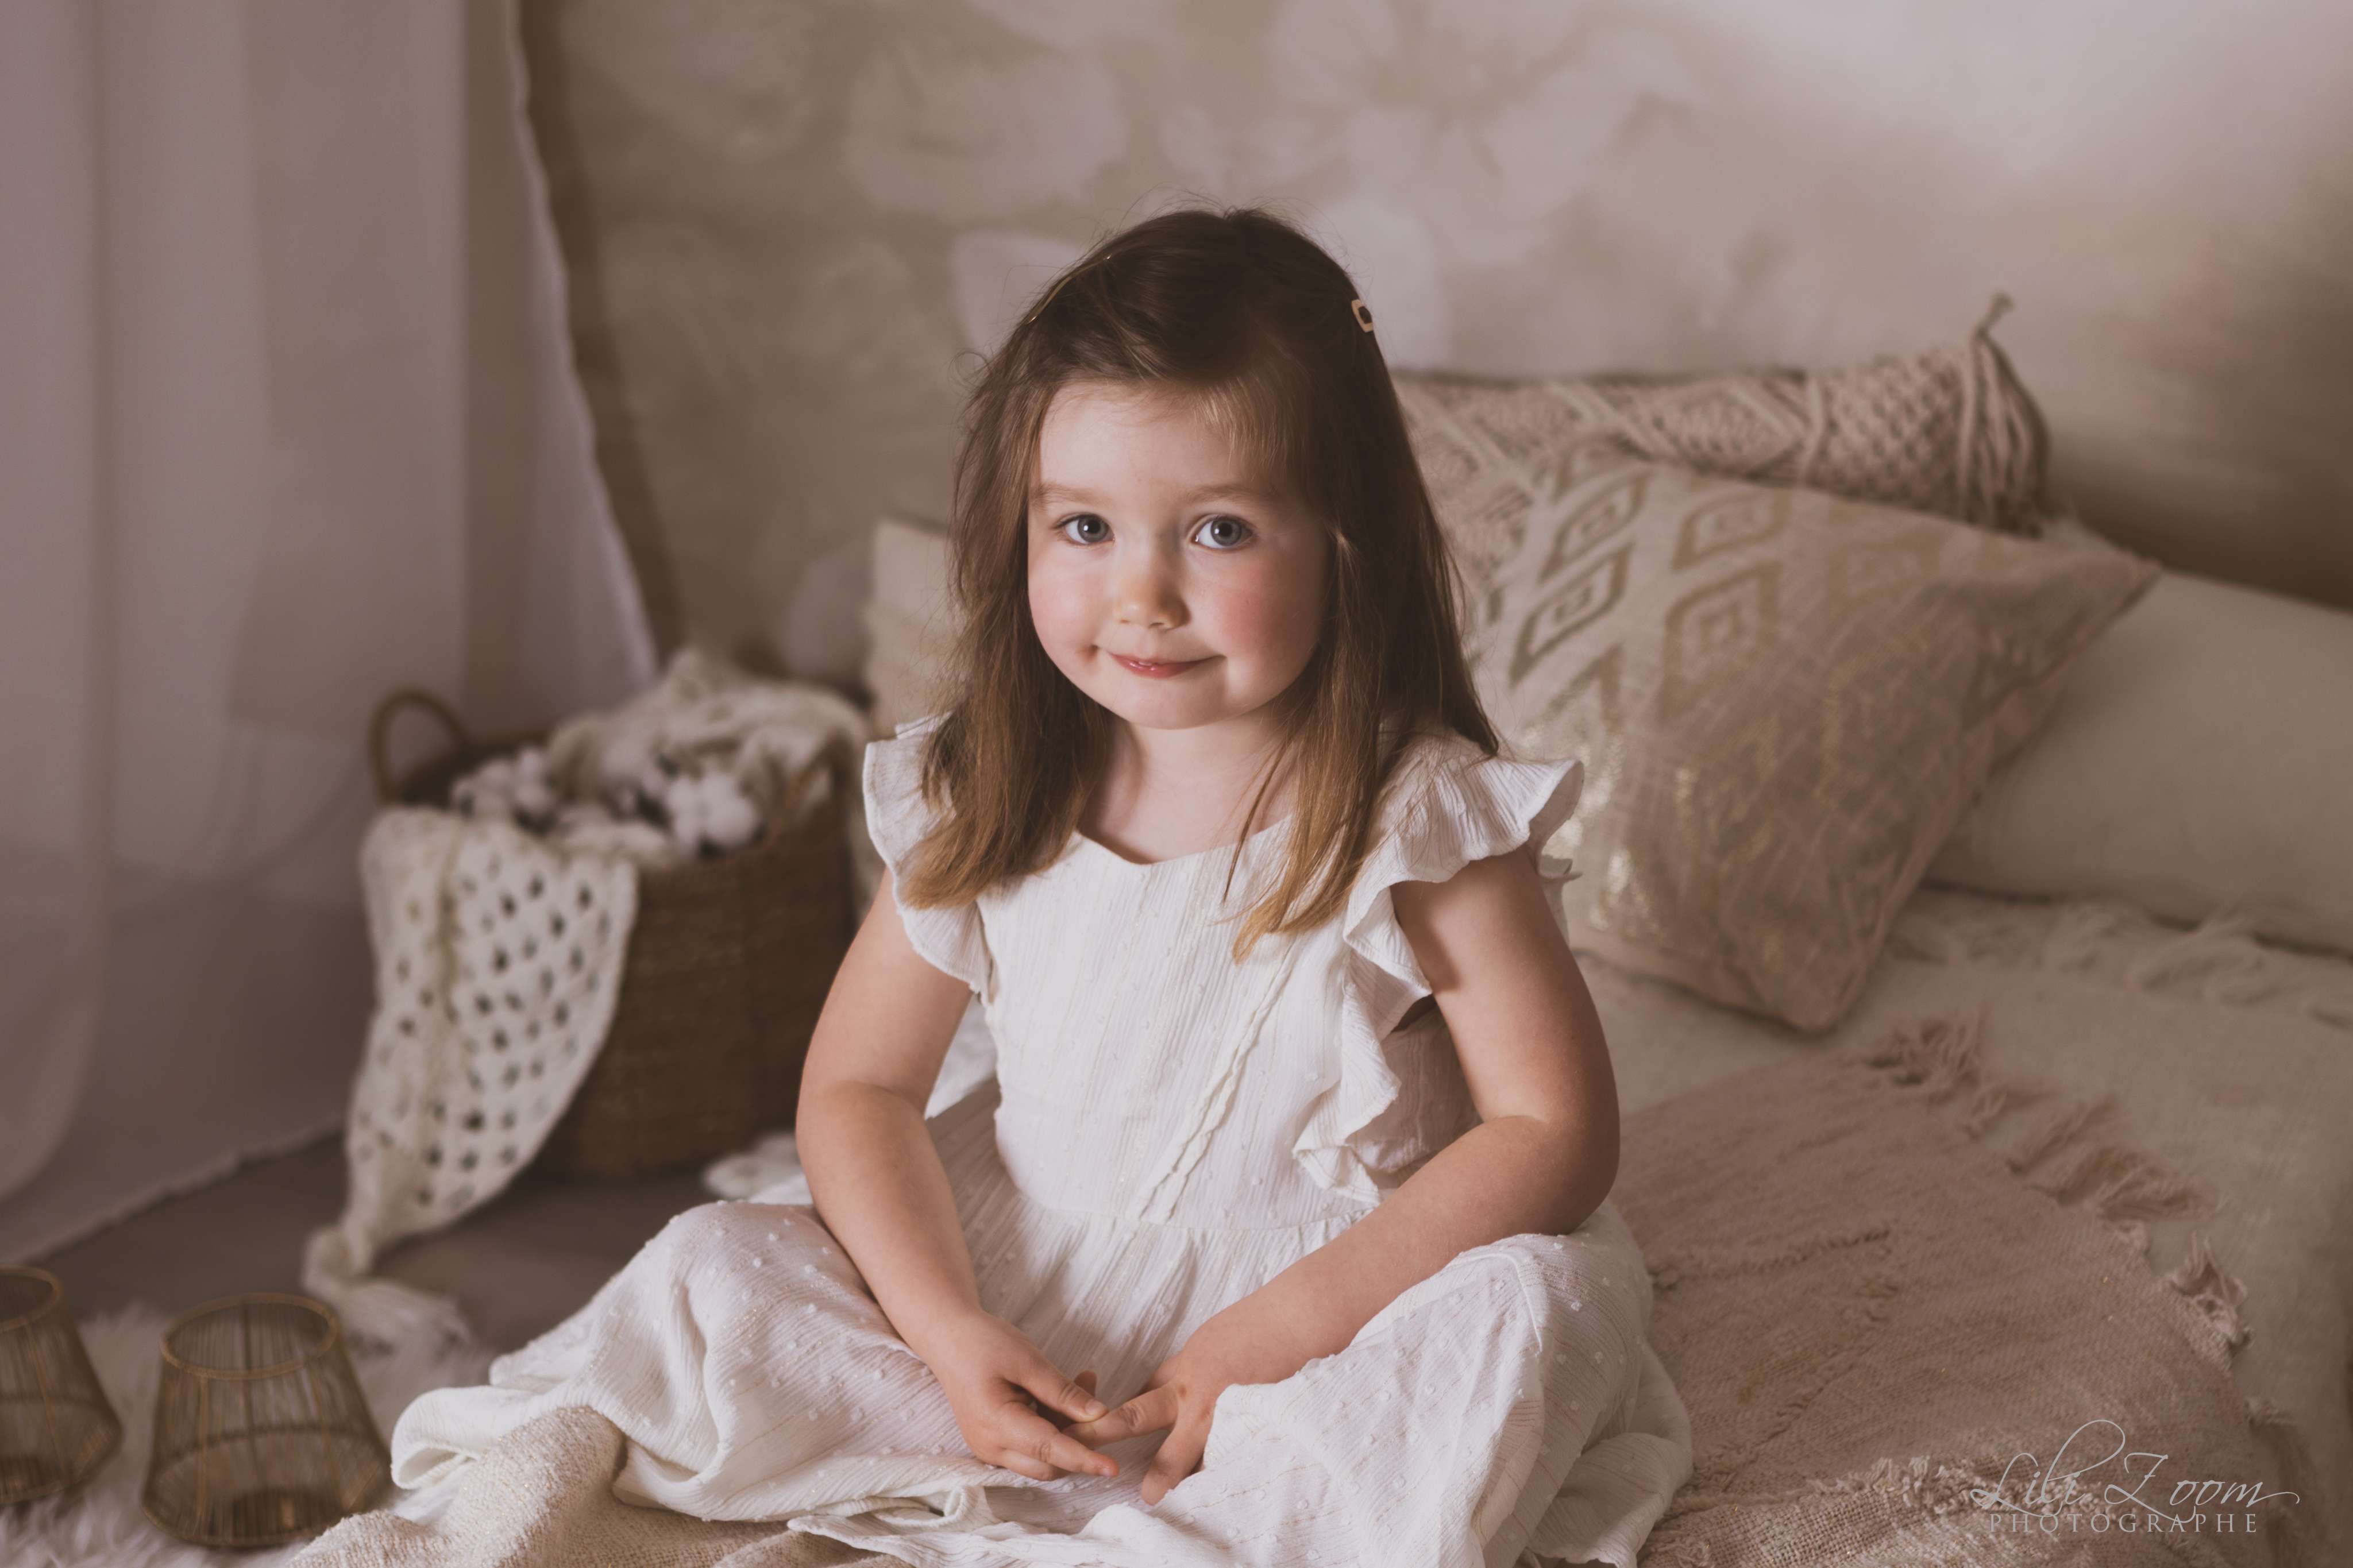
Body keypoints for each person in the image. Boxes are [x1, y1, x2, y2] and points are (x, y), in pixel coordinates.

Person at [388, 204, 1692, 1567]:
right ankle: (987, 1443)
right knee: (716, 1261)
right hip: (1012, 1280)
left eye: (1219, 534)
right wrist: (948, 1331)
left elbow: (1550, 1131)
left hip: (1330, 1311)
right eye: (1082, 526)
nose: (1139, 596)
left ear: (1343, 544)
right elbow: (858, 1090)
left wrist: (1279, 1331)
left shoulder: (1412, 816)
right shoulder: (989, 782)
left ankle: (1207, 1523)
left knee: (1520, 1320)